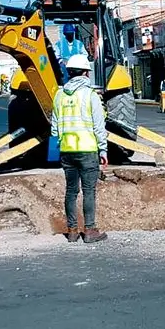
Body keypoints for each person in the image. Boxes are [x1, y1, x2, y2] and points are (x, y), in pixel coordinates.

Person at [50, 53, 109, 244]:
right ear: (85, 73)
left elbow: (54, 128)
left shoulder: (59, 95)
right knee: (89, 190)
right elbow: (99, 126)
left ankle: (72, 231)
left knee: (71, 191)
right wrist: (103, 150)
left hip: (67, 151)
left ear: (69, 73)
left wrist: (55, 151)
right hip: (87, 150)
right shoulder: (90, 95)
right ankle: (90, 230)